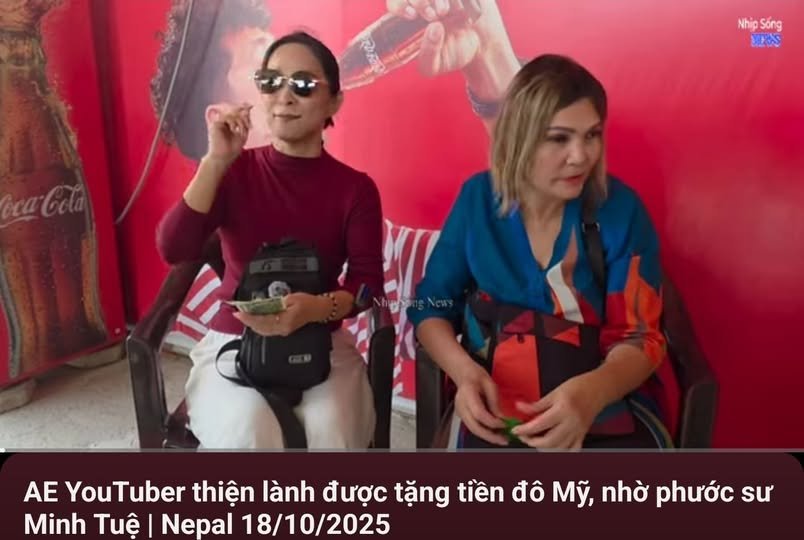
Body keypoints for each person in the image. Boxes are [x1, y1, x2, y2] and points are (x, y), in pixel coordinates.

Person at [408, 54, 672, 450]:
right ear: (519, 138)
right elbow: (431, 307)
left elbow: (640, 337)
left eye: (592, 135)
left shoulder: (620, 210)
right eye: (559, 138)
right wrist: (465, 375)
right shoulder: (477, 199)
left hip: (604, 396)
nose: (581, 156)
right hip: (497, 400)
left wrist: (591, 395)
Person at [155, 31, 385, 449]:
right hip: (235, 339)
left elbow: (367, 286)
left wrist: (319, 308)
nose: (284, 96)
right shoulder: (233, 170)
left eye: (303, 84)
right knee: (248, 425)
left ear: (334, 102)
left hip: (322, 338)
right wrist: (215, 161)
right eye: (271, 82)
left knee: (330, 427)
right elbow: (174, 248)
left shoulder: (355, 190)